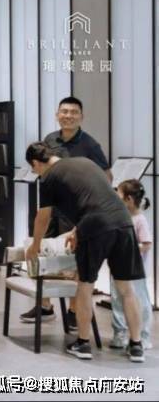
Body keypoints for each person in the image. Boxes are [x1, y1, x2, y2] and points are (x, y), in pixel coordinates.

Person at [25, 142, 145, 362]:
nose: (36, 173)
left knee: (85, 286)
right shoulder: (85, 162)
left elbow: (43, 217)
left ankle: (83, 343)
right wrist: (77, 229)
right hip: (123, 222)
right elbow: (96, 198)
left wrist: (34, 246)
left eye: (34, 170)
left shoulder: (49, 178)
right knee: (127, 290)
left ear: (35, 163)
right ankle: (137, 346)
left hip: (95, 227)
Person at [22, 96, 112, 326]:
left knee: (74, 260)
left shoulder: (90, 145)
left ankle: (73, 310)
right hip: (51, 207)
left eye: (73, 112)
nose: (68, 116)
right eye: (64, 111)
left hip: (75, 213)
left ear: (81, 116)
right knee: (42, 252)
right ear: (57, 115)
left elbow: (106, 176)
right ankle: (44, 305)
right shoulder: (50, 140)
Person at [110, 179, 153, 350]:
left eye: (118, 194)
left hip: (135, 271)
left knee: (139, 302)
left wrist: (129, 250)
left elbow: (146, 244)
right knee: (117, 300)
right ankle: (119, 333)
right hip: (118, 267)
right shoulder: (120, 217)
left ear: (128, 199)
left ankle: (143, 336)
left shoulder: (140, 220)